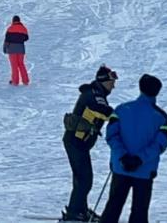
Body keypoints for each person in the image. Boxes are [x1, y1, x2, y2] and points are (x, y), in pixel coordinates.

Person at [100, 74, 167, 223]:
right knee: (140, 212)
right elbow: (160, 144)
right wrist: (140, 159)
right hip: (144, 171)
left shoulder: (121, 110)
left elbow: (112, 136)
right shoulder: (161, 117)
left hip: (121, 167)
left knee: (112, 209)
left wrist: (123, 156)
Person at [61, 65, 118, 222]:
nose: (114, 85)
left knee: (82, 179)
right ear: (104, 81)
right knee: (85, 180)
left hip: (79, 142)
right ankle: (74, 214)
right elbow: (101, 110)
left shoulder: (96, 92)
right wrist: (120, 117)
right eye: (112, 81)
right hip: (76, 142)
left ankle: (80, 210)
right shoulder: (94, 94)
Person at [2, 16, 30, 86]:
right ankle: (25, 81)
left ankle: (15, 81)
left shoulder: (10, 28)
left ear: (13, 21)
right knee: (21, 64)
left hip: (12, 50)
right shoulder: (24, 28)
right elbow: (26, 38)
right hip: (21, 49)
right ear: (19, 21)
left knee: (14, 65)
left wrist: (5, 48)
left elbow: (6, 40)